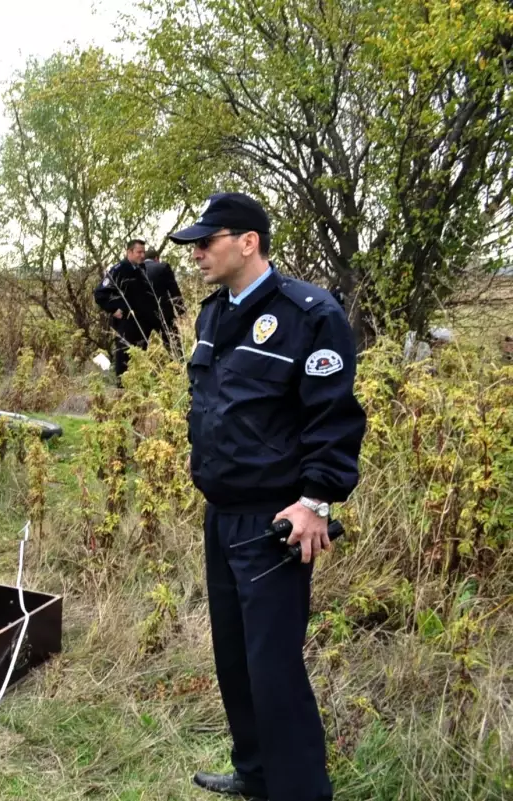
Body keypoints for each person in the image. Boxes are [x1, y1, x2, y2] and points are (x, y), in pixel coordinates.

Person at [169, 192, 367, 801]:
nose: (197, 253)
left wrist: (316, 502)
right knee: (234, 655)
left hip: (276, 519)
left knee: (273, 665)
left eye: (208, 241)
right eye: (195, 245)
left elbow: (333, 419)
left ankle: (301, 789)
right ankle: (255, 772)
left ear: (247, 241)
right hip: (221, 513)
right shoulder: (212, 316)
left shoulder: (310, 313)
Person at [94, 238, 155, 377]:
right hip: (125, 323)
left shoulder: (141, 268)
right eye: (139, 252)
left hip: (142, 323)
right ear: (129, 252)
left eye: (143, 252)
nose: (142, 255)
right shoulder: (119, 270)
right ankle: (121, 389)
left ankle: (138, 387)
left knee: (140, 357)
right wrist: (113, 309)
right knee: (124, 357)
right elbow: (100, 294)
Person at [143, 247, 186, 354]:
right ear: (157, 258)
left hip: (142, 316)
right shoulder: (162, 267)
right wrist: (181, 311)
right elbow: (174, 292)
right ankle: (178, 365)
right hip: (164, 313)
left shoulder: (135, 270)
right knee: (174, 344)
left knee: (140, 347)